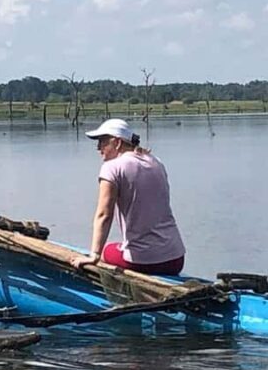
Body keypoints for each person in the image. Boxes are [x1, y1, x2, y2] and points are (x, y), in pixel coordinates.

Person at [69, 118, 186, 275]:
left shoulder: (111, 168)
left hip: (143, 261)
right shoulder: (156, 162)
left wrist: (94, 256)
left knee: (108, 250)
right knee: (122, 246)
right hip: (176, 258)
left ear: (117, 142)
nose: (98, 148)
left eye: (103, 142)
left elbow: (104, 215)